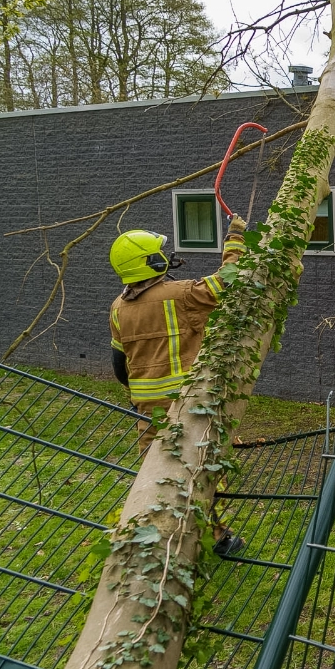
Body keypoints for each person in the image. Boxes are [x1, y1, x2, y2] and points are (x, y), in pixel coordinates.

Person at [108, 216, 248, 556]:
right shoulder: (181, 294)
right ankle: (220, 537)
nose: (165, 256)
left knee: (154, 475)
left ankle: (152, 542)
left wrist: (144, 393)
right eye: (160, 253)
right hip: (188, 402)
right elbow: (231, 280)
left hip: (147, 408)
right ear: (150, 262)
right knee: (202, 468)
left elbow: (119, 366)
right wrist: (235, 238)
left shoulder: (117, 308)